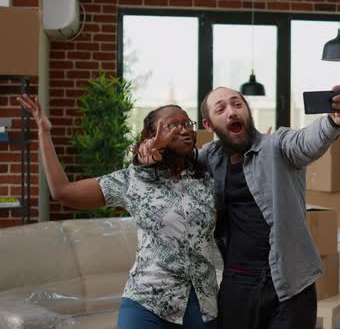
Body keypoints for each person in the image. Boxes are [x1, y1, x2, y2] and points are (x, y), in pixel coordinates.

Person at [138, 85, 340, 329]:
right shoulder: (209, 158)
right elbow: (169, 169)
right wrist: (147, 156)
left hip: (290, 282)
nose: (231, 112)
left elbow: (306, 141)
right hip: (237, 282)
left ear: (248, 112)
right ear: (209, 125)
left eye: (237, 104)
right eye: (221, 109)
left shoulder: (278, 146)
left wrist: (335, 121)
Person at [17, 94, 218, 329]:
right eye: (172, 126)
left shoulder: (208, 175)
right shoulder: (131, 180)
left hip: (202, 303)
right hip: (148, 301)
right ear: (151, 136)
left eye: (186, 124)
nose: (183, 130)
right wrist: (44, 133)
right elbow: (63, 191)